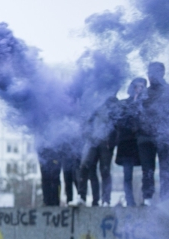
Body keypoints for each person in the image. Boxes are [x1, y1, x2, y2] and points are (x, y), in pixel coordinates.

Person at [71, 96, 120, 207]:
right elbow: (85, 121)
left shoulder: (111, 100)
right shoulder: (91, 99)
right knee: (84, 166)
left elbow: (116, 122)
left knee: (105, 170)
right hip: (91, 140)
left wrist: (112, 142)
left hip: (105, 140)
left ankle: (106, 200)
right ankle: (82, 197)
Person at [141, 62, 169, 203]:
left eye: (154, 72)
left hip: (164, 137)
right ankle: (148, 198)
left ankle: (165, 199)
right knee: (147, 169)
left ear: (162, 73)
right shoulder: (144, 92)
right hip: (145, 137)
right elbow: (138, 112)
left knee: (166, 169)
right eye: (149, 72)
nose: (150, 75)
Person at [116, 78, 146, 207]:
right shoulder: (124, 104)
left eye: (142, 87)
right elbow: (118, 121)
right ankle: (130, 201)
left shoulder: (146, 103)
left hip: (141, 143)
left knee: (147, 172)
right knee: (127, 175)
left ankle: (146, 200)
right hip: (126, 143)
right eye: (136, 86)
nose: (138, 89)